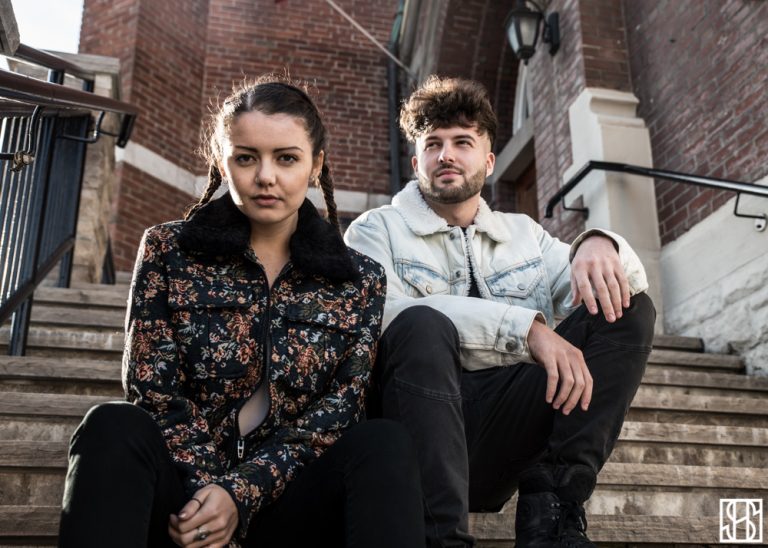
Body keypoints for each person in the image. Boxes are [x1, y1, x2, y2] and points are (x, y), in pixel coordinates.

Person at [58, 76, 424, 548]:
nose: (266, 177)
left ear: (316, 165)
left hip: (290, 506)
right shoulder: (168, 251)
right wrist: (209, 496)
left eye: (286, 158)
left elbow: (338, 412)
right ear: (222, 161)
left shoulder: (358, 278)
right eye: (246, 158)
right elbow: (154, 392)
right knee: (112, 424)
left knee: (384, 442)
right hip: (183, 505)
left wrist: (241, 492)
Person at [344, 75, 655, 548]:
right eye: (433, 144)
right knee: (420, 324)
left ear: (488, 161)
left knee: (628, 308)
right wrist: (527, 331)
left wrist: (598, 243)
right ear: (416, 161)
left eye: (462, 142)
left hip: (503, 433)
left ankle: (552, 515)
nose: (446, 155)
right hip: (417, 434)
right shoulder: (375, 230)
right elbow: (383, 315)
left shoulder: (524, 235)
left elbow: (622, 285)